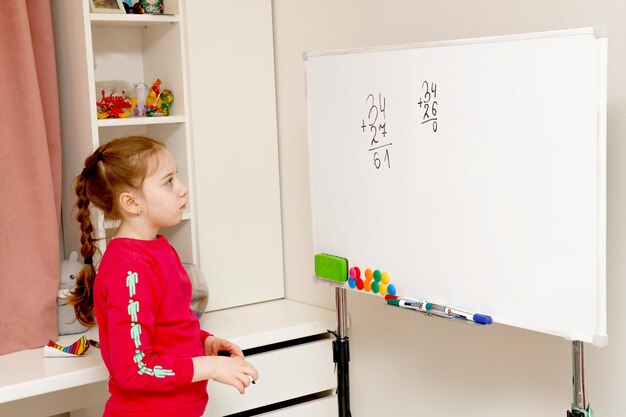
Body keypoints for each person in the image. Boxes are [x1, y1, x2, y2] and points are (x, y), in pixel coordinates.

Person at [68, 136, 258, 417]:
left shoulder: (158, 247)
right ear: (132, 202)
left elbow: (170, 326)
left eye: (176, 177)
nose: (183, 189)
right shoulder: (129, 269)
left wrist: (204, 342)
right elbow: (135, 369)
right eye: (168, 181)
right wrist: (211, 367)